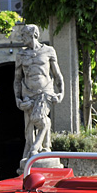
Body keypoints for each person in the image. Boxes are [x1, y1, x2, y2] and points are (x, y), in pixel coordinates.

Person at [13, 23, 65, 171]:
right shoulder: (20, 55)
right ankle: (40, 150)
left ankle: (35, 149)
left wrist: (61, 93)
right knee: (29, 127)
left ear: (32, 35)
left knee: (39, 119)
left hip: (45, 92)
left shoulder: (49, 51)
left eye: (23, 35)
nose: (21, 38)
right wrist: (18, 98)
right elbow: (17, 79)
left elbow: (57, 75)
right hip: (28, 93)